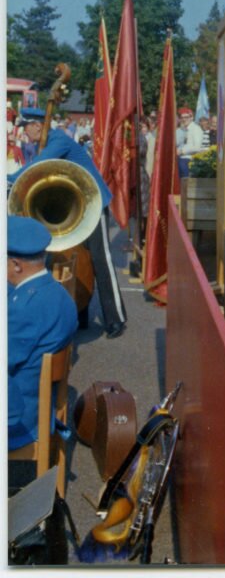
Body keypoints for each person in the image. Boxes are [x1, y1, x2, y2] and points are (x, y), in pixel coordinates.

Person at [10, 108, 127, 339]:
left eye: (26, 128)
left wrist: (9, 179)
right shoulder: (47, 142)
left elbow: (36, 169)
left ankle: (116, 318)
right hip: (77, 207)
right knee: (77, 260)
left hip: (93, 204)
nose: (25, 133)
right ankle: (81, 313)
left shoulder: (58, 140)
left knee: (100, 259)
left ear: (36, 125)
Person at [7, 216, 78, 451]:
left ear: (17, 265)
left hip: (20, 418)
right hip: (38, 402)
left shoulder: (23, 310)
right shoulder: (57, 294)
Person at [177, 106, 204, 177]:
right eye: (182, 118)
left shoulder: (196, 129)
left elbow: (197, 147)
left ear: (191, 118)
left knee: (185, 182)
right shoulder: (181, 129)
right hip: (179, 159)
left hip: (189, 160)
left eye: (186, 117)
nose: (183, 119)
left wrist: (182, 151)